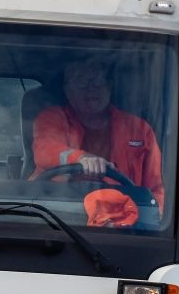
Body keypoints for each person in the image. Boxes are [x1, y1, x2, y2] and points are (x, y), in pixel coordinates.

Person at [31, 59, 165, 227]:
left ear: (109, 86)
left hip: (122, 223)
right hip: (56, 219)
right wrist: (80, 158)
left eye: (98, 81)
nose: (91, 88)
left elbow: (156, 190)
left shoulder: (140, 129)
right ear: (66, 89)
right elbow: (44, 149)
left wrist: (153, 221)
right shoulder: (51, 118)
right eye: (81, 81)